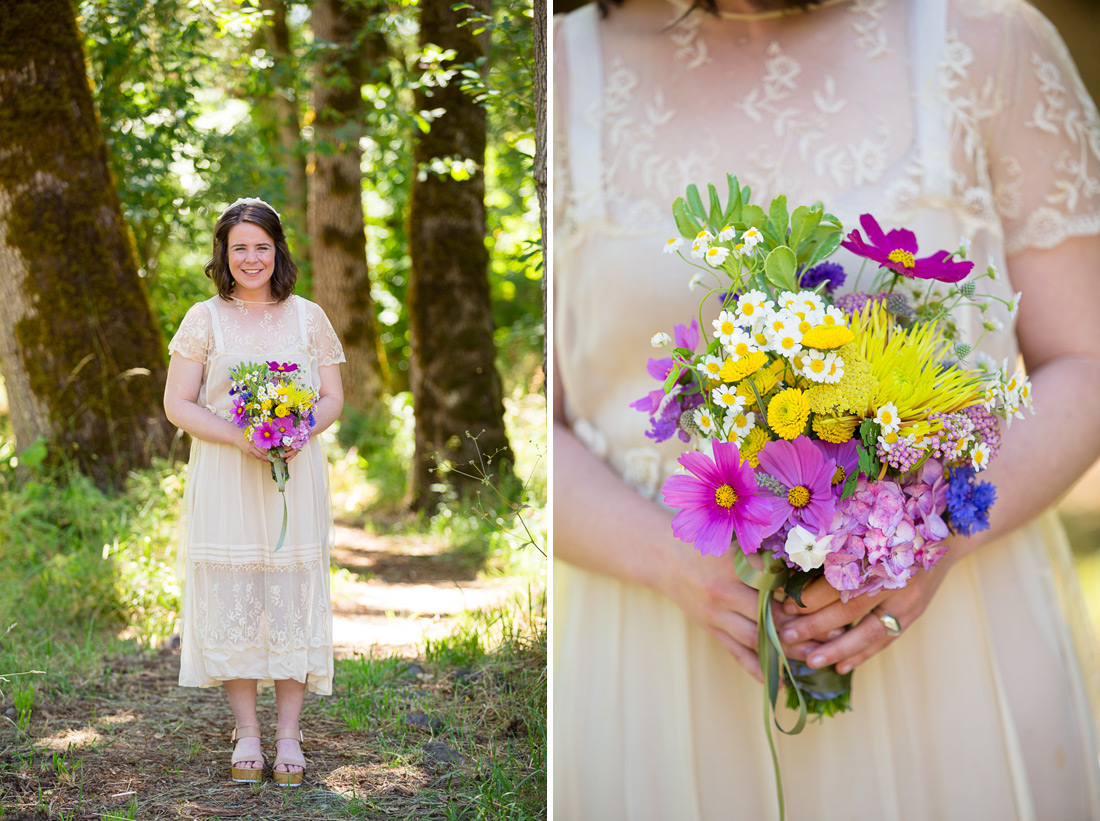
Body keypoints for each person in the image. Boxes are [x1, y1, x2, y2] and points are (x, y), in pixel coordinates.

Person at [552, 0, 1100, 817]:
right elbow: (538, 421)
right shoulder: (559, 73)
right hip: (652, 648)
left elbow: (1085, 359)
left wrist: (932, 539)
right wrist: (674, 563)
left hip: (948, 641)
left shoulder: (989, 41)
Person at [163, 198, 345, 786]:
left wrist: (296, 430)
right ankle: (247, 732)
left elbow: (333, 398)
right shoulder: (203, 318)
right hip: (226, 472)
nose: (251, 258)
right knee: (236, 592)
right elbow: (178, 404)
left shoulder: (309, 317)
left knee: (291, 593)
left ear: (278, 250)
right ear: (224, 253)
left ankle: (289, 735)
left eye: (261, 246)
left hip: (294, 473)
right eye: (239, 247)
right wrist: (243, 437)